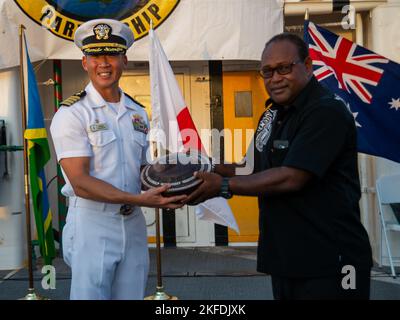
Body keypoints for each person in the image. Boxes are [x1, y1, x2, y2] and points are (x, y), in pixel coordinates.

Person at [185, 33, 373, 300]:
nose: (275, 78)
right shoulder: (271, 114)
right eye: (267, 71)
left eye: (284, 68)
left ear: (307, 66)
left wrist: (222, 186)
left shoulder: (326, 112)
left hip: (334, 260)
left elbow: (291, 177)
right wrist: (207, 168)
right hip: (287, 257)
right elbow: (251, 167)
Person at [50, 19, 186, 300]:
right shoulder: (73, 113)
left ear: (124, 60)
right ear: (84, 62)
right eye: (96, 55)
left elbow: (143, 170)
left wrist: (177, 182)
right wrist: (141, 199)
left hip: (133, 221)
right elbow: (80, 183)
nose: (104, 63)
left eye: (111, 54)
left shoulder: (137, 112)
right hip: (93, 223)